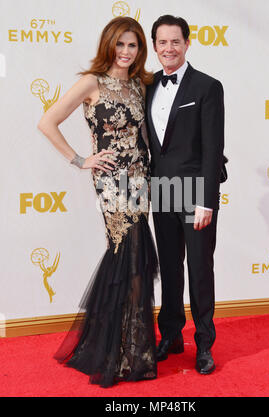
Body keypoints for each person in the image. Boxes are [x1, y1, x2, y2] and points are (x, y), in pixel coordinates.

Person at [38, 16, 158, 388]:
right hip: (111, 181)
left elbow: (146, 135)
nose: (126, 52)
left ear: (140, 49)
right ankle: (114, 349)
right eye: (120, 45)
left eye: (133, 45)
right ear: (109, 45)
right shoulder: (92, 82)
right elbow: (47, 121)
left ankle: (133, 345)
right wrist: (80, 159)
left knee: (138, 256)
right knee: (125, 250)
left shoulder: (140, 83)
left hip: (140, 178)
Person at [146, 15, 225, 375]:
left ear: (187, 43)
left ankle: (204, 344)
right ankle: (172, 335)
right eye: (161, 42)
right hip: (161, 188)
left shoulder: (208, 86)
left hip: (195, 192)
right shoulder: (148, 86)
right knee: (171, 269)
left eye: (175, 41)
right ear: (155, 46)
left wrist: (207, 199)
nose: (168, 48)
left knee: (199, 269)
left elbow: (212, 149)